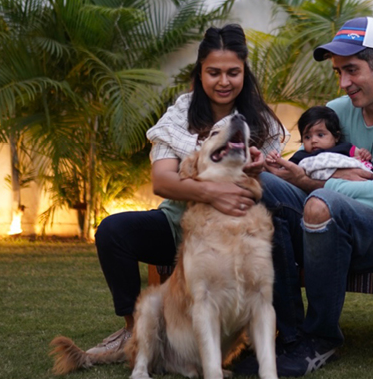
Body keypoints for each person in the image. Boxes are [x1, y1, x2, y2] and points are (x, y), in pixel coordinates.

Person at [251, 16, 373, 377]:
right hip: (333, 233)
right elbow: (300, 169)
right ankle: (288, 334)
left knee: (324, 203)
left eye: (351, 70)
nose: (343, 83)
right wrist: (274, 167)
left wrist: (318, 184)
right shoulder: (338, 111)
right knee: (261, 183)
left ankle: (321, 337)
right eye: (338, 72)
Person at [89, 24, 288, 359]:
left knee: (280, 224)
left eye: (233, 73)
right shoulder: (180, 114)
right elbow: (162, 180)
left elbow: (276, 180)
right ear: (200, 74)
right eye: (213, 72)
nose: (223, 82)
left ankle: (281, 334)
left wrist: (259, 171)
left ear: (244, 73)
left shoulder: (261, 120)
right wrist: (211, 193)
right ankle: (130, 329)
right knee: (113, 231)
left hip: (241, 231)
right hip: (183, 226)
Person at [273, 105, 373, 244]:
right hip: (338, 202)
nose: (314, 140)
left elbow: (359, 155)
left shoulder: (343, 148)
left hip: (360, 191)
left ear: (336, 136)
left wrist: (363, 155)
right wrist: (275, 161)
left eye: (320, 135)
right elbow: (289, 170)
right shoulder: (304, 156)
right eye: (307, 137)